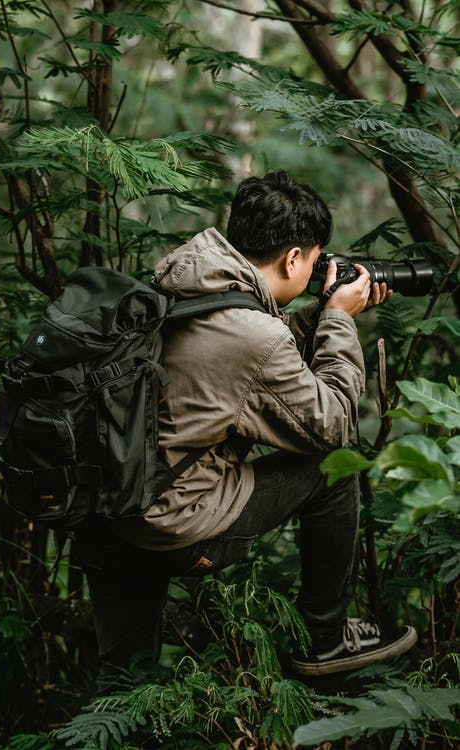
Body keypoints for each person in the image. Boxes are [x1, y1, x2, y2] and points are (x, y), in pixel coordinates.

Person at [75, 170, 417, 689]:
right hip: (171, 524)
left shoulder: (179, 278)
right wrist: (341, 322)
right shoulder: (253, 333)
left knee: (124, 684)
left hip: (105, 508)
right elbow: (333, 423)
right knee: (334, 466)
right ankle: (325, 639)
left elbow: (241, 352)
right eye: (314, 257)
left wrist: (325, 314)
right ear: (294, 258)